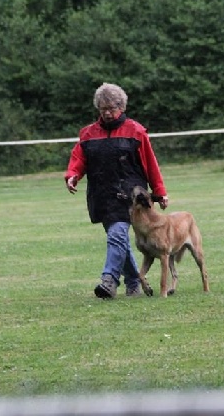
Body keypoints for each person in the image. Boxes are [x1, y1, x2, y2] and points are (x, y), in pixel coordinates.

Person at [64, 83, 169, 299]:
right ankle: (133, 283)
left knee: (117, 234)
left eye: (111, 108)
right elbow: (78, 159)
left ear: (121, 106)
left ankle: (109, 280)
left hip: (131, 196)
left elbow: (150, 163)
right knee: (119, 240)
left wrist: (159, 192)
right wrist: (72, 175)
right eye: (103, 109)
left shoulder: (136, 131)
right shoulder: (88, 134)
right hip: (101, 195)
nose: (108, 113)